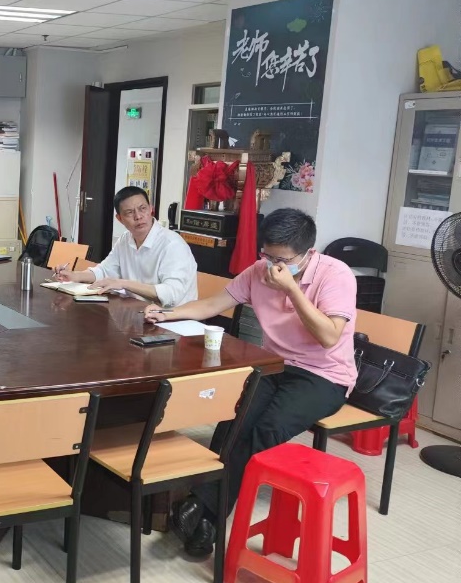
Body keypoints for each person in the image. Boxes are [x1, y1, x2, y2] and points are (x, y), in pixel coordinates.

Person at [142, 208, 357, 557]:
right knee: (234, 419)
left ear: (307, 253)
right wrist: (166, 314)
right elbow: (213, 304)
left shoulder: (336, 275)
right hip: (274, 365)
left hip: (324, 375)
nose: (271, 266)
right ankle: (206, 518)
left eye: (281, 260)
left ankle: (202, 509)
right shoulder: (259, 270)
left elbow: (329, 336)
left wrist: (292, 289)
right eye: (267, 255)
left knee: (266, 429)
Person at [55, 186, 197, 307]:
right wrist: (75, 276)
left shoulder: (172, 244)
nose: (138, 216)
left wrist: (124, 284)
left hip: (173, 320)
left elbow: (172, 294)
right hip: (138, 313)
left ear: (151, 209)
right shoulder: (125, 240)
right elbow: (105, 271)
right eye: (129, 212)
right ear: (119, 219)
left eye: (142, 209)